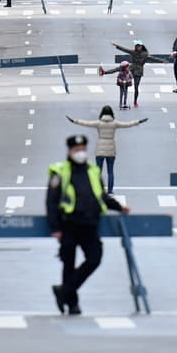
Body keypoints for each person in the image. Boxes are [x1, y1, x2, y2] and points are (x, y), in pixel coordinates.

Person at [46, 135, 129, 316]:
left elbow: (102, 196)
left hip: (90, 224)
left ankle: (64, 291)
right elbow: (51, 201)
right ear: (69, 151)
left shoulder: (92, 170)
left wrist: (119, 207)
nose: (80, 153)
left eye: (83, 149)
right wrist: (55, 228)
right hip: (69, 224)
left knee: (94, 258)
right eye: (77, 150)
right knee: (68, 264)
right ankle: (73, 304)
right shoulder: (60, 171)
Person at [67, 106, 148, 192]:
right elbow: (127, 124)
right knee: (110, 171)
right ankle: (110, 190)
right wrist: (138, 122)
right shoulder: (114, 123)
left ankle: (97, 189)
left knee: (98, 171)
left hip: (100, 149)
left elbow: (86, 123)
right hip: (111, 149)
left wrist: (74, 121)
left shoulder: (98, 123)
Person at [112, 40, 157, 106]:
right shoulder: (133, 52)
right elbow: (125, 50)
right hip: (132, 69)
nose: (138, 47)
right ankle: (105, 72)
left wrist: (162, 61)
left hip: (139, 72)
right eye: (137, 46)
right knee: (121, 72)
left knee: (136, 87)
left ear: (141, 47)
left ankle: (135, 101)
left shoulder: (145, 54)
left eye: (139, 46)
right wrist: (117, 46)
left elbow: (153, 59)